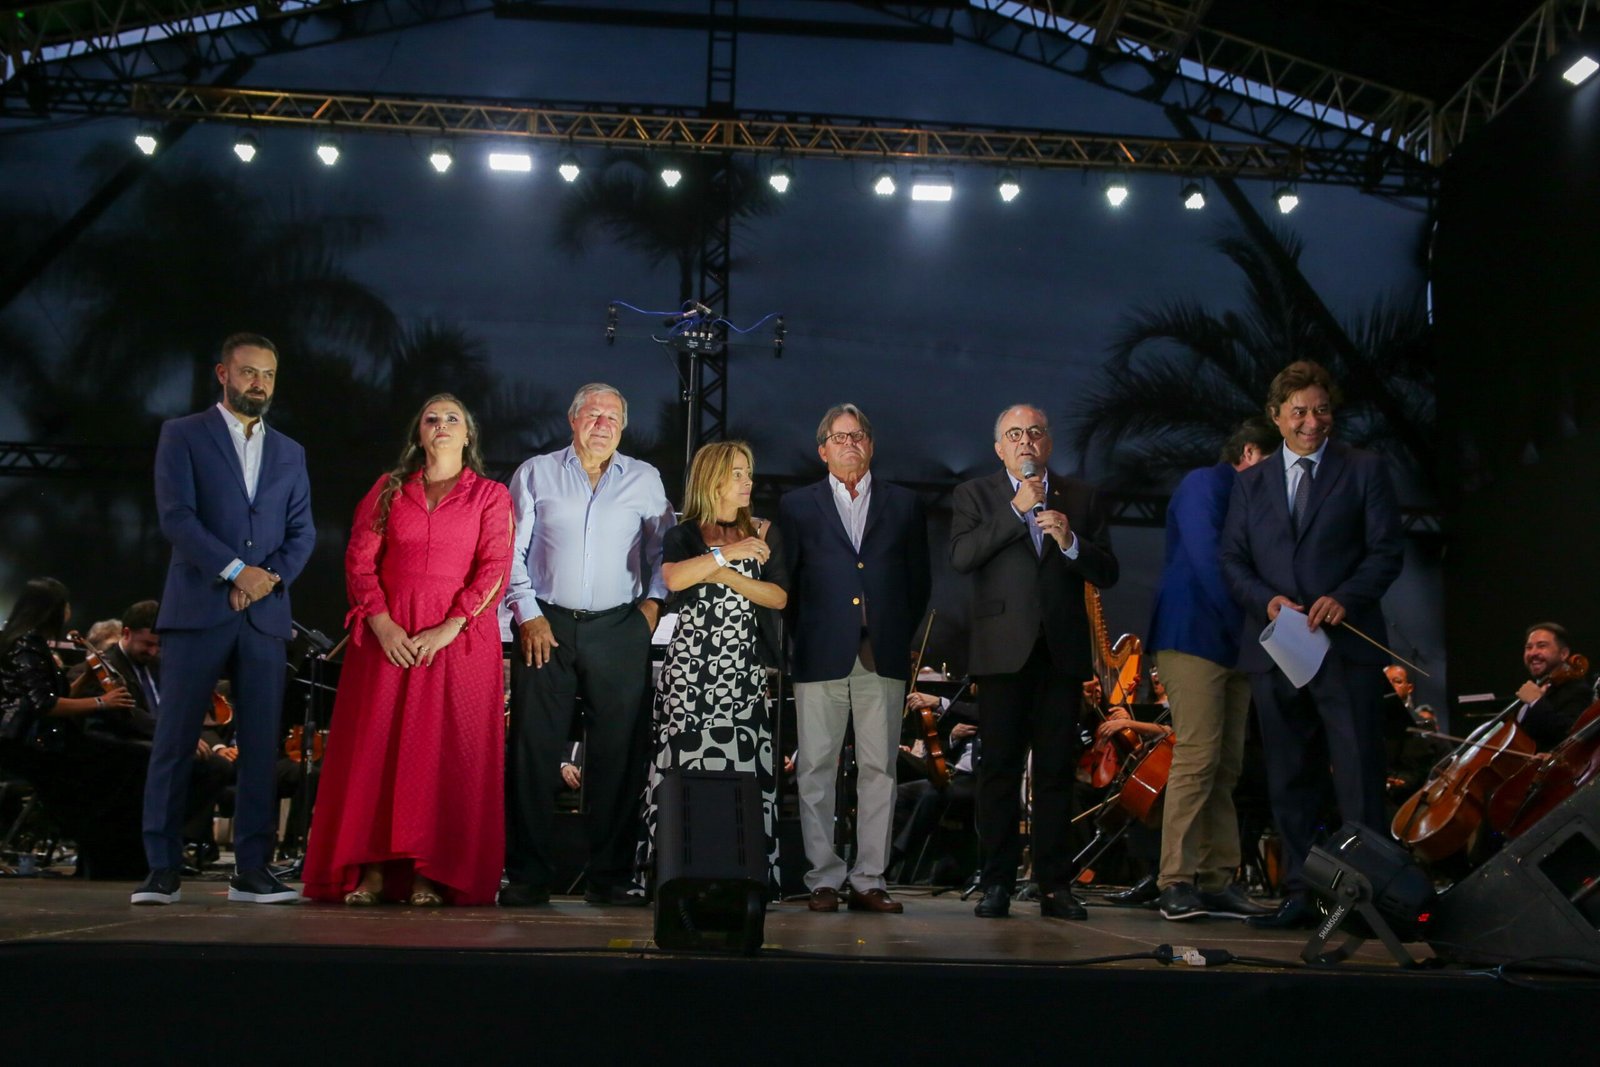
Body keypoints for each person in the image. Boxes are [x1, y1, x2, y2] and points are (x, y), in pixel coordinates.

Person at [302, 394, 513, 906]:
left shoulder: (490, 495)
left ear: (468, 434)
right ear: (419, 433)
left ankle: (429, 874)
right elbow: (359, 562)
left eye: (452, 419)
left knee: (443, 756)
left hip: (458, 643)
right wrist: (381, 623)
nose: (441, 425)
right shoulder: (388, 490)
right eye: (431, 419)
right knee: (378, 749)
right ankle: (372, 872)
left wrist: (449, 627)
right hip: (387, 640)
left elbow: (495, 567)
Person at [1219, 360, 1404, 929]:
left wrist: (1346, 596)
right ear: (1276, 416)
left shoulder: (1365, 468)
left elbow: (1386, 550)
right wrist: (1268, 602)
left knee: (1358, 774)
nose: (1311, 421)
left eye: (1321, 409)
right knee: (1289, 776)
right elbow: (1233, 560)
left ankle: (1366, 897)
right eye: (1298, 411)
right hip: (1277, 650)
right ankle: (1302, 893)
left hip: (1345, 647)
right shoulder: (1249, 482)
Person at [134, 333, 316, 906]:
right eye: (248, 372)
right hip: (198, 610)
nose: (259, 383)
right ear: (223, 374)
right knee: (175, 741)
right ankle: (161, 869)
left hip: (264, 616)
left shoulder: (290, 451)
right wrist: (238, 571)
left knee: (261, 748)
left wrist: (267, 579)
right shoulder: (183, 434)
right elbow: (177, 518)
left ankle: (252, 871)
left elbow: (302, 532)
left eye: (268, 374)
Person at [502, 383, 674, 907]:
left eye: (613, 417)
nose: (603, 424)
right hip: (545, 626)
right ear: (572, 419)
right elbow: (509, 551)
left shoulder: (645, 479)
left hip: (619, 627)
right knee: (533, 751)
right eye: (593, 414)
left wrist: (651, 609)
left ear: (623, 427)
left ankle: (611, 877)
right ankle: (528, 876)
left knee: (618, 757)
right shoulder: (535, 473)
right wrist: (528, 614)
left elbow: (664, 552)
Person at [950, 404, 1118, 920]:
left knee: (1054, 773)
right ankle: (996, 882)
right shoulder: (975, 494)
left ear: (1048, 443)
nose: (1026, 441)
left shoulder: (1081, 497)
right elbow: (962, 557)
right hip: (1001, 654)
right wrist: (1014, 509)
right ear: (999, 447)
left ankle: (1054, 886)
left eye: (1035, 432)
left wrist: (1071, 542)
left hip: (1061, 654)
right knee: (998, 771)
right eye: (1015, 434)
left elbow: (1108, 571)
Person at [780, 403, 930, 914]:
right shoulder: (797, 505)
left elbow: (919, 582)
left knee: (879, 770)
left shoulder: (904, 503)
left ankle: (869, 879)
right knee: (816, 768)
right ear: (823, 450)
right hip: (818, 653)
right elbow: (787, 583)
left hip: (881, 655)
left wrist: (893, 632)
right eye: (840, 437)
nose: (851, 444)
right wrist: (804, 637)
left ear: (872, 445)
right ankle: (822, 878)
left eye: (859, 435)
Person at [1144, 418, 1280, 922]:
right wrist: (1265, 614)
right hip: (1195, 634)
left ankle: (1217, 878)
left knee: (1226, 765)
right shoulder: (1205, 483)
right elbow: (1209, 562)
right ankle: (1176, 880)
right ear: (1249, 453)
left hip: (1236, 642)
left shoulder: (1254, 499)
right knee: (1199, 756)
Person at [638, 441, 789, 888]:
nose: (748, 482)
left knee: (742, 770)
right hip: (690, 671)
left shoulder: (763, 531)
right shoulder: (684, 534)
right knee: (683, 767)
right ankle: (672, 869)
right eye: (737, 474)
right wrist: (727, 556)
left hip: (742, 670)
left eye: (748, 473)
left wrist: (722, 573)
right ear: (713, 480)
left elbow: (777, 597)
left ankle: (745, 872)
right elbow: (674, 578)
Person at [1, 577, 147, 877]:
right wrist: (103, 702)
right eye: (65, 605)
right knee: (127, 762)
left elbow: (56, 695)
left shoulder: (28, 642)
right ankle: (107, 857)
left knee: (129, 757)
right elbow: (44, 705)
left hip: (40, 739)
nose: (68, 611)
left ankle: (105, 858)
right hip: (30, 745)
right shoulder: (26, 645)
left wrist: (85, 680)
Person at [1514, 623, 1591, 752]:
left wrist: (1536, 702)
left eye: (1542, 646)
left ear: (1563, 654)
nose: (1532, 653)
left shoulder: (1578, 690)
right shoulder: (1529, 691)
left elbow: (1570, 734)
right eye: (1529, 647)